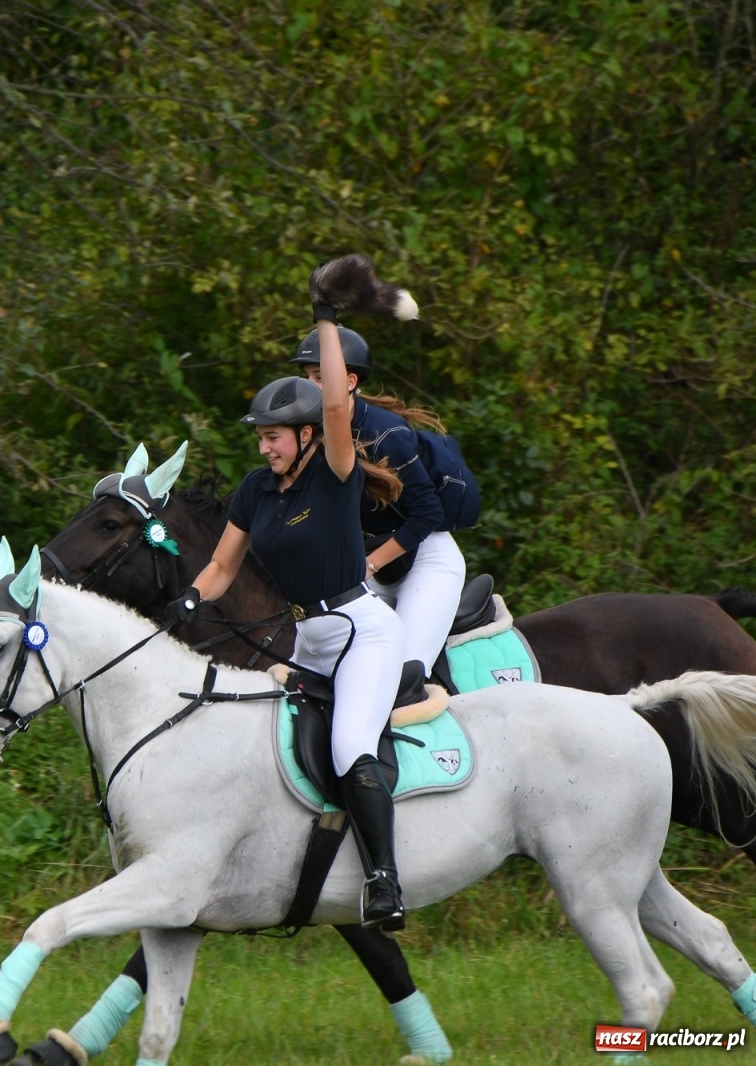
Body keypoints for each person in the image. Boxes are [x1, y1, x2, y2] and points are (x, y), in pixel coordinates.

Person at [165, 316, 409, 929]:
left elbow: (336, 404)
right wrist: (191, 598)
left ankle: (385, 880)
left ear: (306, 435)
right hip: (310, 640)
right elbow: (223, 565)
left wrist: (326, 318)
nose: (263, 448)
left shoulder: (334, 473)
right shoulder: (256, 490)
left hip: (361, 631)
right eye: (259, 438)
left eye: (273, 437)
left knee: (349, 745)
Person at [290, 326, 467, 672]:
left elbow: (428, 514)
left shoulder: (386, 433)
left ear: (350, 381)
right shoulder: (311, 434)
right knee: (311, 660)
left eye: (320, 377)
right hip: (373, 560)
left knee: (402, 672)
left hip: (425, 559)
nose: (310, 385)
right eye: (307, 376)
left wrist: (369, 565)